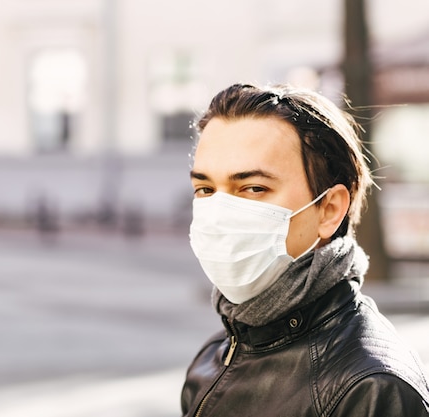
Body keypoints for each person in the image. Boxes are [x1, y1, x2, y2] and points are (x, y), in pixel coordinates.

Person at [182, 83, 429, 416]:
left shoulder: (372, 387)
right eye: (205, 188)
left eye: (254, 188)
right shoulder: (214, 359)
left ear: (328, 210)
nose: (221, 211)